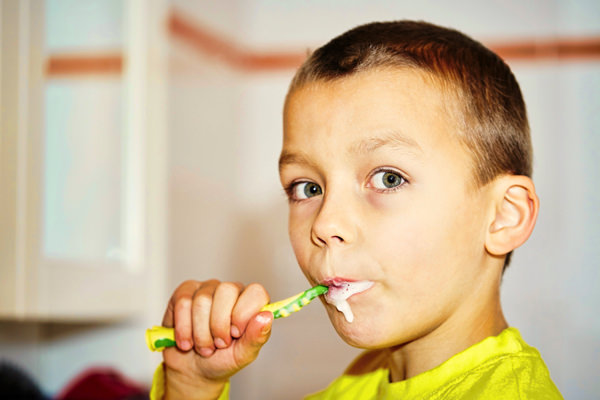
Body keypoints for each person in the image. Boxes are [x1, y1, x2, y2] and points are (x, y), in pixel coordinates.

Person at [152, 21, 563, 399]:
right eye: (307, 187)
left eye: (388, 179)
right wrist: (191, 385)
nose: (325, 224)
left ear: (503, 215)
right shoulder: (360, 382)